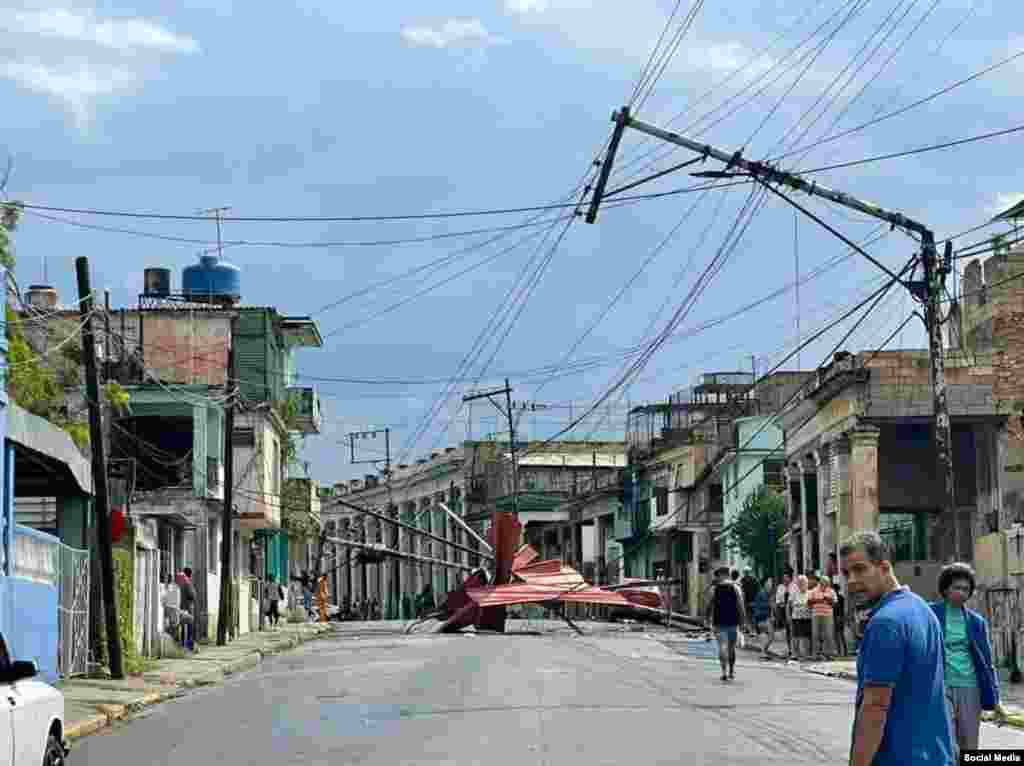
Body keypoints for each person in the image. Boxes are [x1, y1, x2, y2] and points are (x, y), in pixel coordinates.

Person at [841, 531, 953, 766]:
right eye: (846, 573)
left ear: (884, 567)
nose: (851, 581)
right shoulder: (923, 609)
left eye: (860, 569)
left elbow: (875, 707)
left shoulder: (885, 623)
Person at [930, 562, 1008, 756]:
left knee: (969, 744)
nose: (962, 593)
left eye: (966, 589)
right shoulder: (930, 614)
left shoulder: (976, 622)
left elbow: (986, 662)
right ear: (945, 589)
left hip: (970, 686)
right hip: (941, 686)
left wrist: (996, 699)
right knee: (945, 741)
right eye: (957, 587)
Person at [705, 566, 747, 682]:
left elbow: (708, 606)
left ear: (720, 575)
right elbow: (741, 606)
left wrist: (707, 619)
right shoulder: (736, 588)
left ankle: (724, 672)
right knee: (731, 648)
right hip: (733, 621)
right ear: (728, 575)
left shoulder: (714, 589)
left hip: (718, 621)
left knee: (722, 646)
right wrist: (743, 621)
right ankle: (731, 671)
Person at [808, 573, 837, 660]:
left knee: (828, 634)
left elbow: (835, 603)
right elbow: (808, 603)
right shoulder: (814, 590)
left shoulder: (831, 591)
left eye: (827, 583)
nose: (825, 585)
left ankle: (828, 653)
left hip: (827, 615)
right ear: (820, 582)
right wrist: (818, 600)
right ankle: (815, 654)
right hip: (816, 615)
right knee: (815, 634)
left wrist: (828, 600)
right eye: (824, 583)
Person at [788, 574, 812, 659]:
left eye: (804, 583)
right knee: (795, 636)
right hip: (796, 617)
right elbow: (789, 605)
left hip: (807, 617)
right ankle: (795, 653)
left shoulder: (810, 593)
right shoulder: (794, 593)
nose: (802, 584)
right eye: (800, 583)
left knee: (806, 636)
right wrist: (788, 616)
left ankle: (806, 653)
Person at [176, 569, 197, 651]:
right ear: (190, 575)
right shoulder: (188, 584)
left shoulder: (177, 584)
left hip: (179, 608)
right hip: (188, 608)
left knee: (181, 627)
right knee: (189, 627)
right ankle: (188, 646)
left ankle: (182, 644)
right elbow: (192, 595)